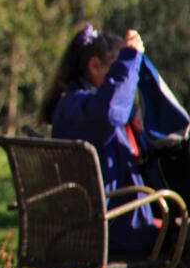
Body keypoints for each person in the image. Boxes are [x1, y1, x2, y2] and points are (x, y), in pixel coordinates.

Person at [39, 24, 188, 255]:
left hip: (110, 226)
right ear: (95, 66)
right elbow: (110, 112)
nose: (127, 81)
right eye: (116, 69)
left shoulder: (78, 107)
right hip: (114, 231)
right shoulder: (75, 107)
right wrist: (129, 59)